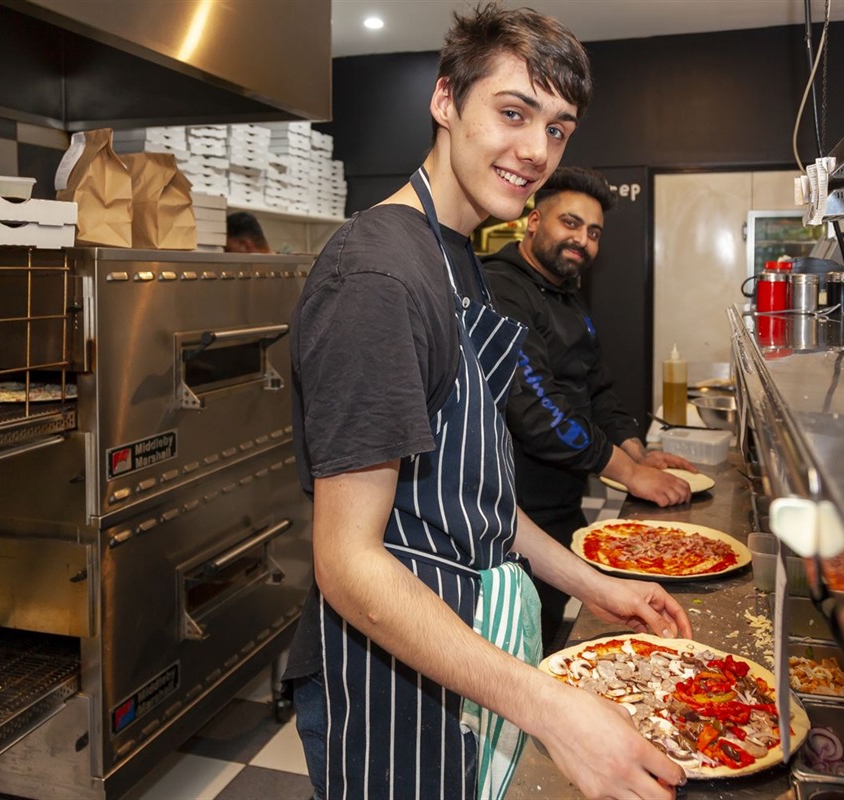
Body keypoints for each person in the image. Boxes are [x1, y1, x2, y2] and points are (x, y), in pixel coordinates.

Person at [285, 4, 691, 800]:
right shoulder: (377, 276)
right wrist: (550, 709)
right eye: (513, 113)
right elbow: (347, 563)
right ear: (445, 101)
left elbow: (475, 496)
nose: (536, 151)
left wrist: (589, 583)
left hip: (459, 646)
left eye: (558, 129)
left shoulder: (458, 256)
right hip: (390, 685)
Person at [482, 167, 697, 647]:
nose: (582, 240)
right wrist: (629, 474)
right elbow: (540, 413)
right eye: (571, 223)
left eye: (593, 232)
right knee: (515, 655)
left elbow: (597, 387)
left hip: (561, 508)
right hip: (511, 520)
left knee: (551, 635)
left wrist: (638, 453)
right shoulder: (501, 289)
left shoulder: (567, 295)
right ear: (533, 221)